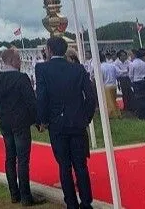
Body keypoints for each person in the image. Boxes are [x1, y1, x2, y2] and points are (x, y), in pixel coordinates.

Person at [36, 37, 96, 209]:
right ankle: (86, 203)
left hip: (57, 124)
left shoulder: (42, 68)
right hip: (77, 122)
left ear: (49, 49)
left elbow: (42, 97)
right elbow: (90, 98)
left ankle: (71, 203)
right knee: (81, 166)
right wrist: (85, 117)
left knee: (64, 165)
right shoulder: (78, 69)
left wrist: (42, 120)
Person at [0, 49, 42, 206]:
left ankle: (14, 194)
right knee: (23, 160)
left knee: (10, 158)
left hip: (5, 122)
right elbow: (31, 102)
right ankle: (26, 196)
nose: (20, 61)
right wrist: (37, 121)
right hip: (20, 123)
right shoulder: (21, 78)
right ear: (12, 60)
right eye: (18, 59)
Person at [100, 52, 120, 118]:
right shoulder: (112, 65)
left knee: (109, 102)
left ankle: (112, 115)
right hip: (114, 85)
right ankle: (118, 113)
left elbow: (101, 78)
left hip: (106, 86)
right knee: (114, 100)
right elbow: (117, 74)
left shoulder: (100, 67)